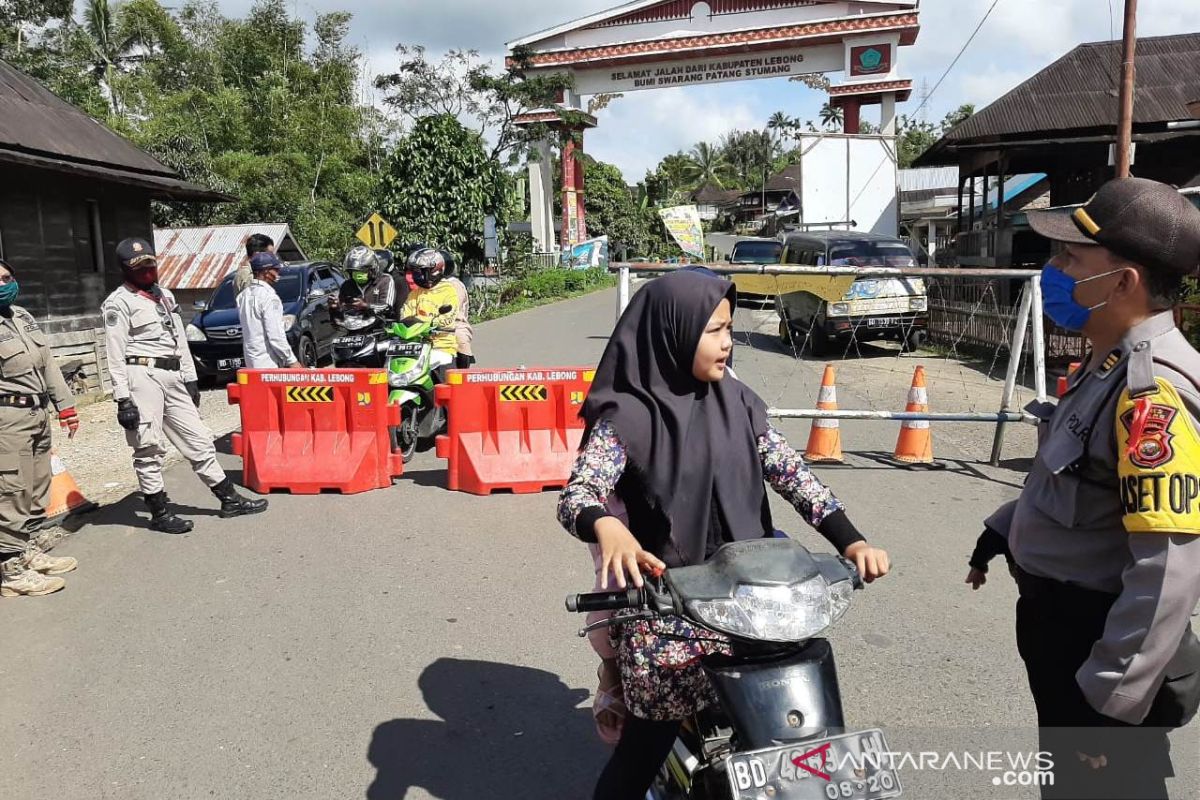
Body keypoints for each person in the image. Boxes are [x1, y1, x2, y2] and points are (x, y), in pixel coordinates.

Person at [556, 271, 890, 799]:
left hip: (755, 597)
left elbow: (793, 476)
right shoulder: (625, 416)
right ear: (674, 332)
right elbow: (579, 493)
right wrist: (606, 525)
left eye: (730, 328)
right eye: (714, 330)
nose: (728, 342)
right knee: (642, 752)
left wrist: (851, 540)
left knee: (809, 734)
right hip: (669, 606)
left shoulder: (738, 401)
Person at [974, 178, 1200, 800]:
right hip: (1063, 636)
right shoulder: (1108, 365)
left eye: (1071, 259)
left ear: (1123, 282)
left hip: (1096, 649)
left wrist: (1110, 706)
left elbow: (1167, 574)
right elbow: (1078, 483)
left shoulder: (1151, 396)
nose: (1053, 268)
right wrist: (1006, 527)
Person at [102, 238, 268, 534]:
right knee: (148, 447)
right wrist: (122, 399)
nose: (147, 270)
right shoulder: (119, 302)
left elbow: (179, 339)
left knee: (199, 438)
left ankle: (229, 499)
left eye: (150, 263)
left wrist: (191, 378)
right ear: (125, 269)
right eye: (138, 267)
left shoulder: (164, 296)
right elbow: (114, 353)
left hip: (173, 375)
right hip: (141, 376)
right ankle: (159, 511)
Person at [0, 258, 80, 597]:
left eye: (6, 277)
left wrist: (66, 407)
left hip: (36, 415)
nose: (4, 284)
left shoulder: (23, 317)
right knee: (11, 492)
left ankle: (27, 551)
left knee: (37, 488)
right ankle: (11, 572)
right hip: (7, 420)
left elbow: (48, 364)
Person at [237, 252, 302, 369]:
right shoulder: (269, 297)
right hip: (269, 362)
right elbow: (275, 335)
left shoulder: (243, 296)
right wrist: (291, 361)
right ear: (266, 272)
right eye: (275, 270)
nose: (278, 273)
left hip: (251, 361)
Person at [400, 248, 459, 368]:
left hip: (441, 346)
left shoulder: (448, 290)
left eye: (421, 272)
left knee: (440, 372)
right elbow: (405, 316)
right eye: (415, 272)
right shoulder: (415, 293)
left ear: (435, 270)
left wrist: (427, 322)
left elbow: (448, 318)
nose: (418, 276)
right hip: (415, 346)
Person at [331, 245, 404, 324]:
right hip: (355, 329)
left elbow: (386, 306)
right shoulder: (347, 285)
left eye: (361, 271)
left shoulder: (385, 280)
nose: (357, 275)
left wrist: (365, 306)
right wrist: (335, 307)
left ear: (372, 269)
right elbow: (341, 314)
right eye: (354, 272)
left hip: (380, 328)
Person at [439, 249, 475, 369]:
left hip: (455, 323)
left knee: (460, 338)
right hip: (431, 325)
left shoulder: (454, 284)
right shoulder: (429, 285)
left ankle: (463, 368)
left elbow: (453, 308)